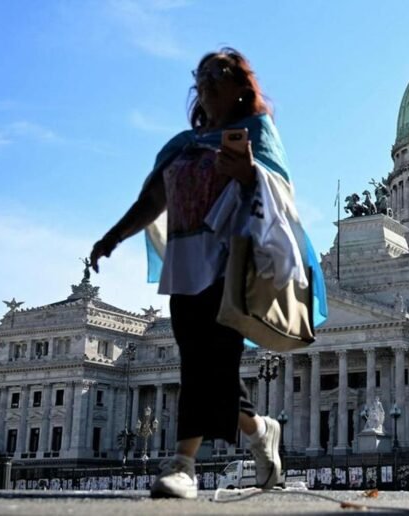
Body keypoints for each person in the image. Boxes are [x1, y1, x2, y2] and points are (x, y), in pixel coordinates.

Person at [89, 48, 325, 499]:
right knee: (209, 366)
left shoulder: (257, 133)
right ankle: (260, 432)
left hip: (231, 262)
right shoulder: (180, 146)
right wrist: (113, 237)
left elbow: (278, 195)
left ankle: (183, 464)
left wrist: (248, 170)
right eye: (203, 77)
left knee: (206, 362)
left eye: (222, 74)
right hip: (185, 264)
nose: (210, 82)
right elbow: (151, 201)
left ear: (242, 86)